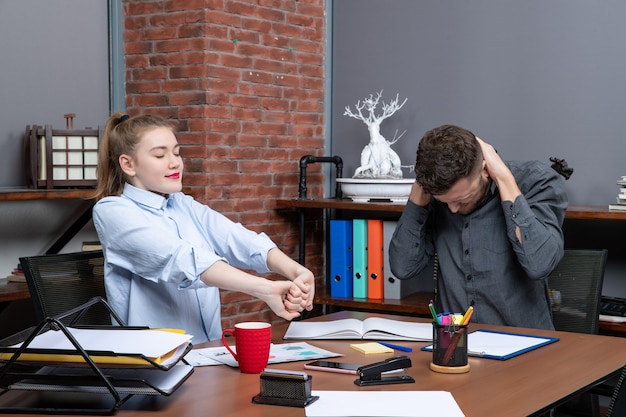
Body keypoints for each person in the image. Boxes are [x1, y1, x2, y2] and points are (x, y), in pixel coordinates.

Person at [92, 112, 314, 343]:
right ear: (128, 164)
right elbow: (182, 260)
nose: (174, 162)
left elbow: (235, 238)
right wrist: (263, 288)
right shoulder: (112, 211)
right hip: (155, 365)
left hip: (207, 352)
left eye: (177, 152)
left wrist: (296, 271)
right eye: (160, 155)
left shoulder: (182, 204)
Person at [389, 124, 568, 330]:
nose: (453, 209)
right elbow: (403, 267)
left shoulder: (537, 181)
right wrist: (419, 192)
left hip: (524, 344)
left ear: (484, 169)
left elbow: (540, 264)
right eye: (445, 201)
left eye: (462, 199)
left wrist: (503, 179)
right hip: (456, 345)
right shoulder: (435, 193)